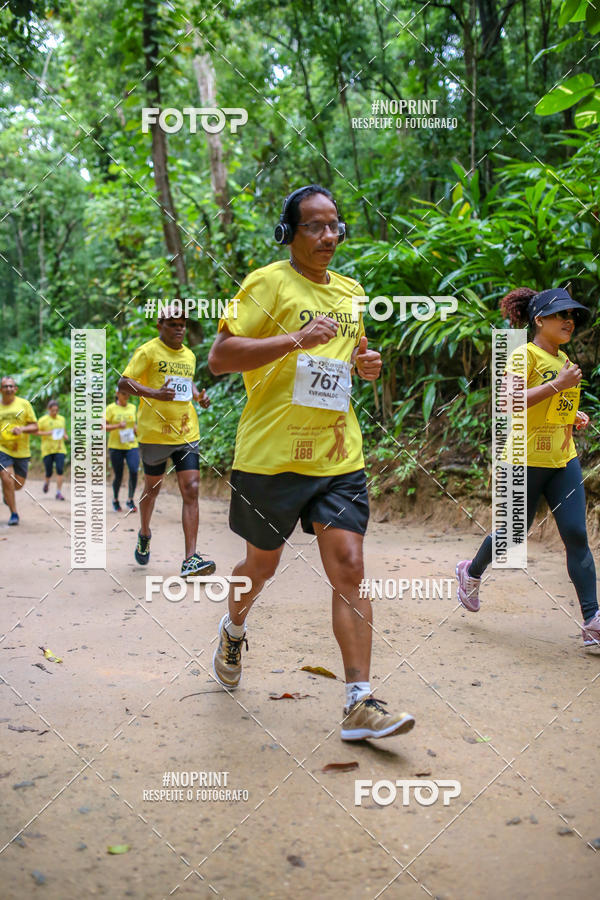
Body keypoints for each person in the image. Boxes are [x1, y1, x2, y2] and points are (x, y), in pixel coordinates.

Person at [208, 184, 415, 741]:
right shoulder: (266, 283)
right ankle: (233, 627)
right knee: (261, 568)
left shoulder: (351, 290)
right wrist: (295, 339)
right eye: (315, 227)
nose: (328, 236)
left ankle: (359, 701)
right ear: (289, 233)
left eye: (335, 226)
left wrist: (366, 364)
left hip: (336, 453)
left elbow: (353, 354)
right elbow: (220, 357)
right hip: (272, 456)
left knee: (349, 564)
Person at [456, 287, 600, 649]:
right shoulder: (524, 355)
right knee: (510, 535)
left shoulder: (563, 359)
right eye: (560, 315)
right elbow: (509, 402)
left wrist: (573, 413)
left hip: (562, 459)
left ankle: (593, 620)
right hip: (524, 459)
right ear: (539, 320)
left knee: (576, 535)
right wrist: (558, 385)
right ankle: (470, 573)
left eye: (572, 316)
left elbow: (554, 405)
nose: (569, 321)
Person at [118, 305, 215, 578]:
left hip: (186, 432)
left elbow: (187, 383)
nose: (179, 328)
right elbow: (124, 383)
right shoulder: (147, 351)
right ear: (159, 325)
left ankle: (190, 559)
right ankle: (145, 532)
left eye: (182, 323)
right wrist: (154, 394)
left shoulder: (189, 355)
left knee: (192, 488)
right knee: (153, 489)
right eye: (173, 324)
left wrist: (198, 397)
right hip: (154, 435)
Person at [0, 376, 38, 525]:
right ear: (1, 389)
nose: (8, 389)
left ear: (15, 389)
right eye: (5, 386)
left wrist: (22, 429)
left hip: (21, 450)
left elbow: (35, 427)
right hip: (2, 448)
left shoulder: (24, 404)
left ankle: (7, 494)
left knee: (17, 485)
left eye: (11, 386)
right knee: (6, 477)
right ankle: (14, 513)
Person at [104, 388, 140, 512]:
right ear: (117, 393)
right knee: (118, 475)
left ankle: (130, 500)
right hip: (116, 447)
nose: (127, 396)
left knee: (134, 470)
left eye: (128, 394)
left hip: (131, 445)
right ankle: (115, 499)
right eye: (124, 393)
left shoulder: (132, 407)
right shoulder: (110, 408)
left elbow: (133, 424)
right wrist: (117, 426)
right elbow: (102, 426)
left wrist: (137, 431)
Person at [37, 399, 68, 500]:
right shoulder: (42, 420)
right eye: (53, 410)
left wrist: (65, 435)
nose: (55, 412)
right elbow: (36, 432)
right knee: (49, 471)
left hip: (60, 449)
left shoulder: (62, 419)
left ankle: (58, 492)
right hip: (47, 449)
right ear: (48, 409)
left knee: (60, 469)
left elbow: (63, 431)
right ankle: (46, 482)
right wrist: (48, 433)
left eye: (56, 410)